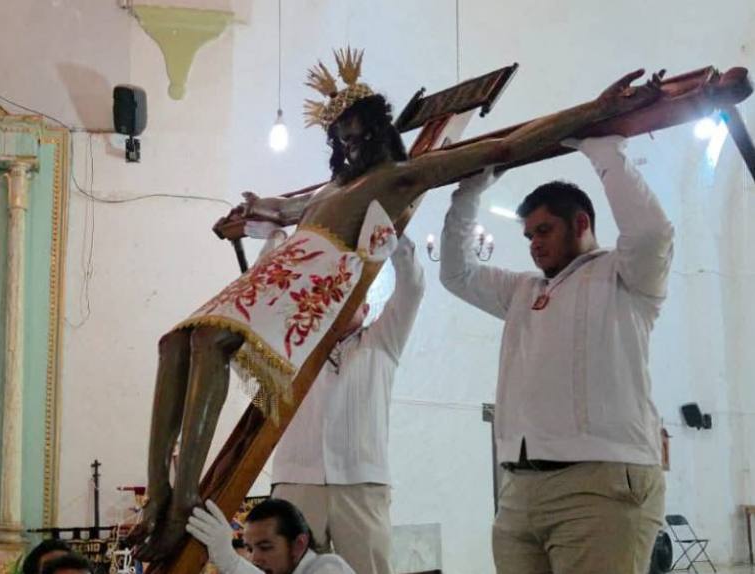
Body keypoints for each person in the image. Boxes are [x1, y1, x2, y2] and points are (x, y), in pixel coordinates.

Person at [133, 44, 666, 560]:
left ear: (380, 132)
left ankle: (183, 504)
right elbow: (282, 207)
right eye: (344, 142)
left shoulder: (397, 177)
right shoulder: (328, 190)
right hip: (285, 268)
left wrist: (594, 113)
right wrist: (252, 211)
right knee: (175, 342)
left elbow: (504, 148)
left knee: (211, 340)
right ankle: (159, 499)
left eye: (361, 138)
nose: (353, 150)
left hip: (314, 280)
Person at [439, 135, 673, 574]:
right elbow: (456, 273)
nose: (533, 243)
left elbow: (650, 232)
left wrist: (600, 148)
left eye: (543, 231)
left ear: (581, 223)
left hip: (600, 483)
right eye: (529, 235)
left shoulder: (627, 277)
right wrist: (468, 193)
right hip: (519, 489)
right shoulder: (524, 290)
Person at [269, 230, 423, 574]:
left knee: (368, 569)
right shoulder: (294, 348)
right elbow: (262, 305)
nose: (336, 307)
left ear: (367, 308)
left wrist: (392, 229)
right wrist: (275, 240)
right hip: (297, 481)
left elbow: (412, 286)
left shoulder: (382, 342)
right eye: (330, 299)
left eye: (347, 299)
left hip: (362, 484)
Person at [186, 498, 355, 574]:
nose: (255, 559)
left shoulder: (330, 568)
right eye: (250, 549)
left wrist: (231, 563)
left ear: (299, 545)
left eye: (265, 547)